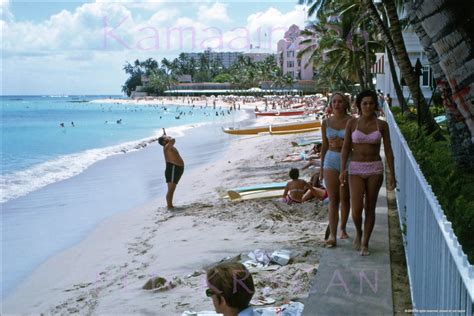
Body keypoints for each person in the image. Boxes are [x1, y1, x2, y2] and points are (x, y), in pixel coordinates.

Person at [340, 90, 396, 256]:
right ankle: (359, 231)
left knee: (369, 207)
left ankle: (365, 242)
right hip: (355, 168)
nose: (368, 106)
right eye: (364, 103)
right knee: (356, 209)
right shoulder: (352, 123)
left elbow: (388, 150)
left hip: (375, 169)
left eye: (371, 103)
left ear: (375, 105)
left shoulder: (382, 125)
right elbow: (345, 148)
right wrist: (342, 169)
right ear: (359, 105)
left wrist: (392, 173)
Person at [320, 92, 352, 248]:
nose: (337, 104)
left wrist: (343, 142)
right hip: (330, 160)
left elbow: (358, 144)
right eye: (334, 102)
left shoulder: (352, 121)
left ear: (346, 104)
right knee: (333, 199)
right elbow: (324, 146)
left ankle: (343, 228)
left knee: (345, 198)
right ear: (330, 104)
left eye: (340, 101)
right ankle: (332, 234)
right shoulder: (325, 123)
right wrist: (320, 167)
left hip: (347, 161)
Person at [158, 128, 184, 209]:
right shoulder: (167, 146)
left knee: (172, 189)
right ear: (164, 142)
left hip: (176, 169)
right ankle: (169, 206)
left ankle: (170, 205)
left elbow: (167, 139)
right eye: (166, 137)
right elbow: (173, 140)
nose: (169, 137)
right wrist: (167, 137)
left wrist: (164, 134)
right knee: (171, 189)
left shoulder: (167, 145)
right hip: (173, 169)